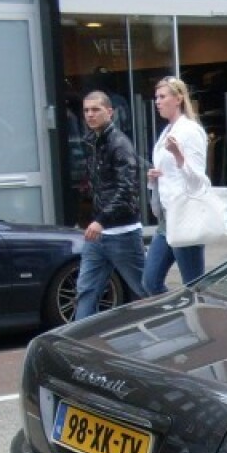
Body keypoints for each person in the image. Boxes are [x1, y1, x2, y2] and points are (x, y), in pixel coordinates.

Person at [75, 90, 146, 320]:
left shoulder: (119, 143)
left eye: (95, 110)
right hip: (99, 234)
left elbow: (127, 190)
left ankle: (171, 332)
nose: (90, 115)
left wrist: (99, 220)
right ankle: (80, 346)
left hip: (122, 233)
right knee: (86, 290)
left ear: (110, 112)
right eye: (86, 110)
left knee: (145, 291)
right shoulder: (92, 142)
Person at [143, 75, 210, 297]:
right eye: (156, 97)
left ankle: (198, 323)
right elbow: (169, 176)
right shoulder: (167, 132)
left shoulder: (190, 131)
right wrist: (153, 178)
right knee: (150, 281)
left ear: (178, 98)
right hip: (166, 217)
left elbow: (199, 181)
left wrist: (179, 157)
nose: (157, 102)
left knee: (194, 286)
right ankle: (177, 318)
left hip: (184, 216)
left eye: (162, 96)